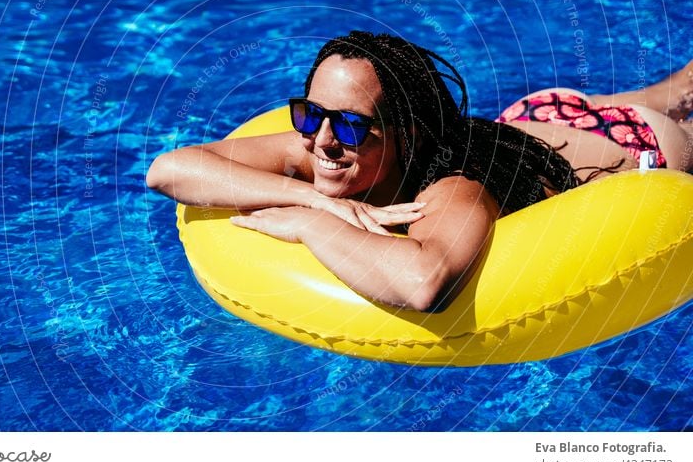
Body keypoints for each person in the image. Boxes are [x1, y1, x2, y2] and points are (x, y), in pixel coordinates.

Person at [146, 31, 693, 312]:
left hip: (631, 144)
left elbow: (424, 282)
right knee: (673, 91)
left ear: (407, 135)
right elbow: (168, 170)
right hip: (536, 118)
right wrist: (318, 200)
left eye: (354, 125)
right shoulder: (325, 139)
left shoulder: (454, 184)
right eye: (309, 114)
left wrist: (310, 226)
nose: (325, 142)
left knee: (669, 112)